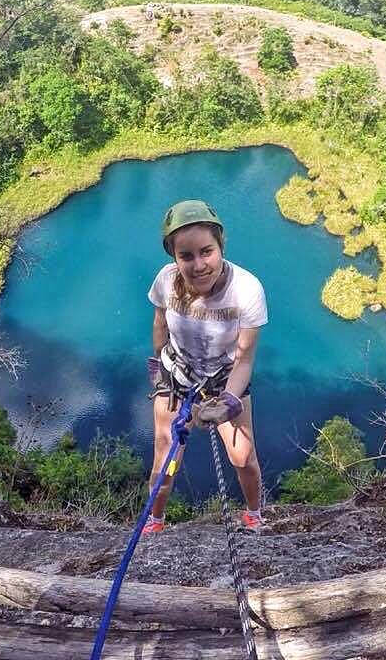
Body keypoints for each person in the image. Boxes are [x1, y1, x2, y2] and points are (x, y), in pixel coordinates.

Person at [143, 199, 268, 533]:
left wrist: (228, 400)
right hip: (177, 376)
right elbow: (160, 324)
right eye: (186, 256)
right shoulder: (166, 282)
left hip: (225, 380)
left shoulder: (246, 290)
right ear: (174, 257)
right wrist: (159, 366)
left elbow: (244, 358)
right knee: (166, 463)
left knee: (242, 457)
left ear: (220, 246)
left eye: (206, 251)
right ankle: (155, 521)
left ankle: (254, 514)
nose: (199, 264)